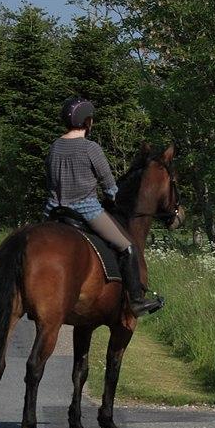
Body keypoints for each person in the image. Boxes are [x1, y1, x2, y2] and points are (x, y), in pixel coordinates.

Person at [44, 96, 162, 317]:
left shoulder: (54, 147)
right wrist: (111, 197)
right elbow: (109, 186)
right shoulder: (91, 148)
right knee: (127, 247)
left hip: (54, 211)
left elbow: (49, 183)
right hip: (86, 211)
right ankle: (136, 300)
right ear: (87, 122)